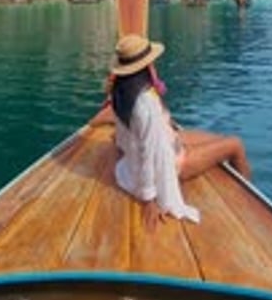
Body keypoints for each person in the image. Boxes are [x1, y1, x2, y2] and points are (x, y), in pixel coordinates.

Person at [106, 33, 251, 232]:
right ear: (145, 67)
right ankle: (247, 206)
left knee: (219, 140)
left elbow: (132, 136)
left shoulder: (120, 91)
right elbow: (149, 152)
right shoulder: (145, 105)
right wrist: (150, 199)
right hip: (171, 162)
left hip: (162, 145)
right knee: (235, 144)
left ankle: (238, 184)